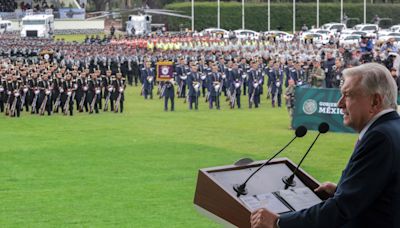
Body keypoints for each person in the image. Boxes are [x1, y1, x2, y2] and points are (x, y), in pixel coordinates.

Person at [250, 63, 400, 228]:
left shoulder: (379, 138)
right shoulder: (392, 128)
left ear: (375, 101)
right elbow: (383, 190)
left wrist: (278, 222)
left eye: (348, 95)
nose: (339, 104)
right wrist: (341, 190)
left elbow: (341, 209)